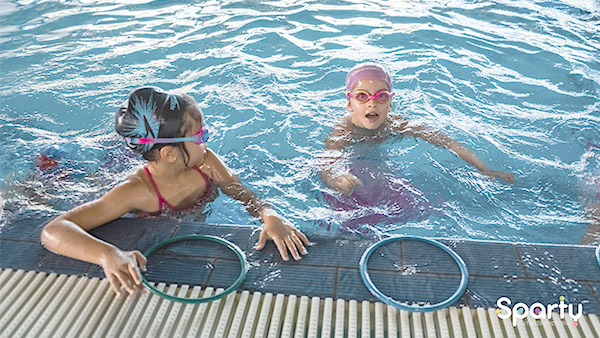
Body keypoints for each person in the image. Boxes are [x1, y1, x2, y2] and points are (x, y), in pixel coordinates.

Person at [41, 86, 310, 296]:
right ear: (170, 154)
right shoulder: (137, 192)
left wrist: (270, 214)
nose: (207, 141)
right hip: (136, 208)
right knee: (61, 185)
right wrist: (108, 254)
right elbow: (55, 229)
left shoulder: (206, 163)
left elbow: (243, 194)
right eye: (201, 136)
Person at [320, 63, 515, 226]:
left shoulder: (397, 124)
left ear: (390, 103)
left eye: (381, 96)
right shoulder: (343, 131)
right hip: (355, 169)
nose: (372, 104)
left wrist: (485, 170)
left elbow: (448, 143)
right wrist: (335, 179)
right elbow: (326, 163)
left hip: (383, 170)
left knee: (421, 207)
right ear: (349, 103)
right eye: (362, 96)